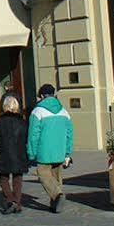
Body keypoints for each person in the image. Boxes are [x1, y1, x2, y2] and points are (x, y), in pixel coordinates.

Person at [27, 84, 74, 213]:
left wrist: (31, 153)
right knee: (56, 176)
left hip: (44, 150)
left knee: (43, 174)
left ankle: (57, 195)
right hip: (60, 150)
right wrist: (67, 152)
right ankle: (55, 205)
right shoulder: (64, 111)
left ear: (41, 96)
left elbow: (33, 135)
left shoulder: (37, 111)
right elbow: (70, 133)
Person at [0, 95, 28, 214]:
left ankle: (10, 200)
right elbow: (26, 138)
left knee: (3, 178)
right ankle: (16, 203)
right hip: (19, 154)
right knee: (18, 178)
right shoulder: (22, 121)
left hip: (5, 153)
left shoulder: (0, 121)